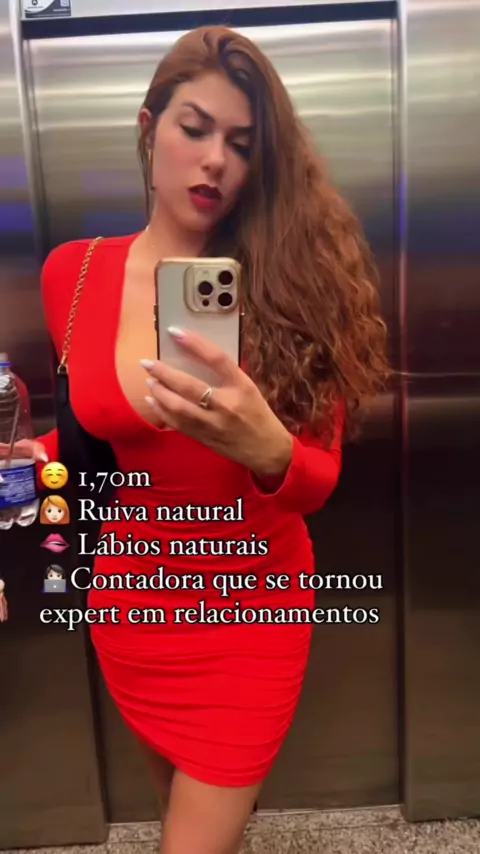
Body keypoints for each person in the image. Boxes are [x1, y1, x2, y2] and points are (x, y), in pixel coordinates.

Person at [28, 25, 389, 854]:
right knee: (187, 826)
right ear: (149, 129)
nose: (216, 160)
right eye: (194, 129)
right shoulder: (72, 274)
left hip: (251, 610)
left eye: (242, 145)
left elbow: (317, 480)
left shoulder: (296, 283)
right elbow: (92, 440)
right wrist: (30, 456)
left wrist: (267, 448)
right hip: (133, 606)